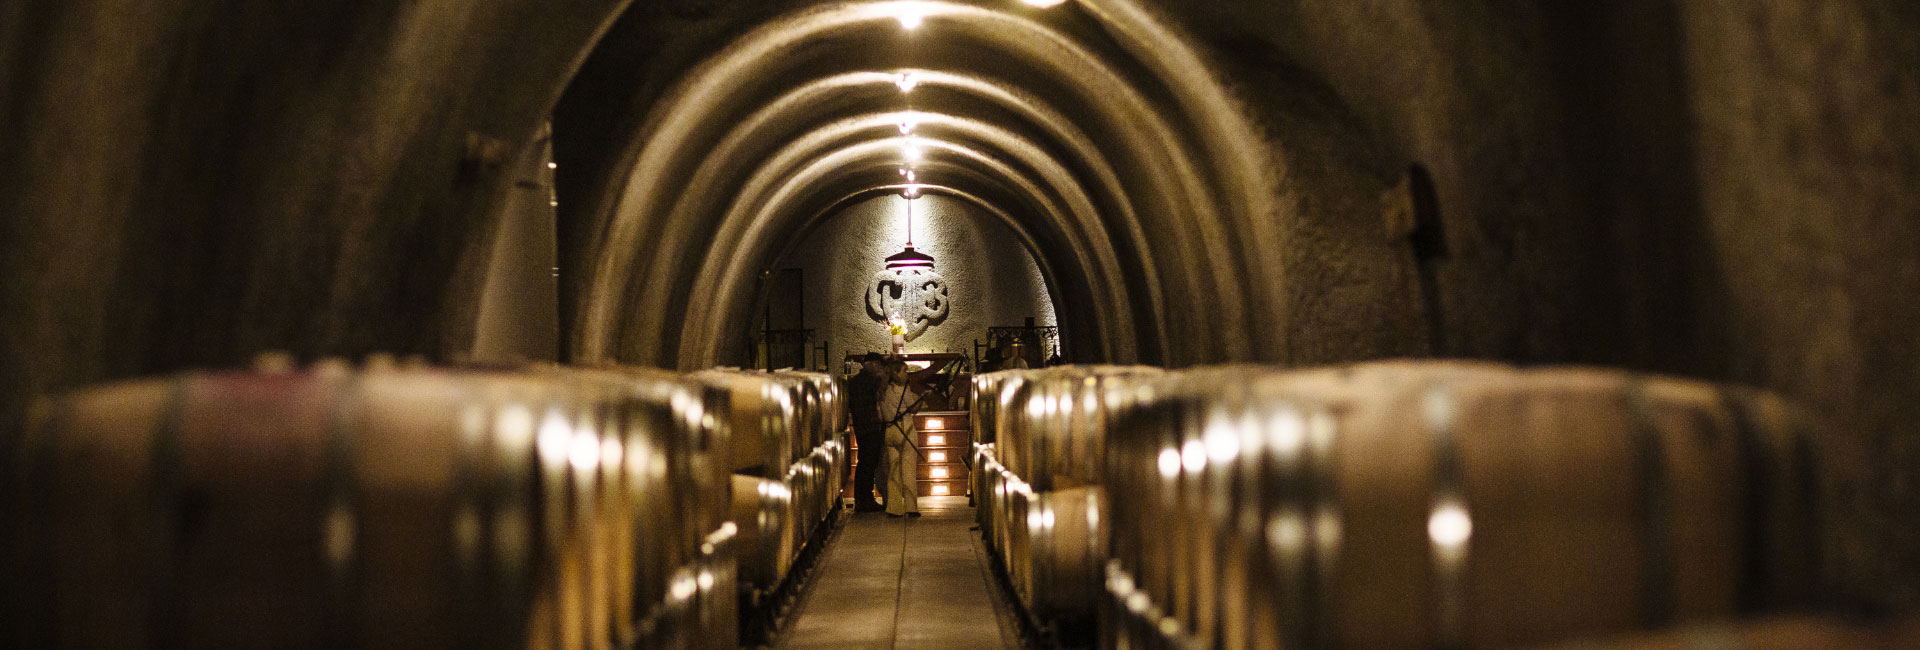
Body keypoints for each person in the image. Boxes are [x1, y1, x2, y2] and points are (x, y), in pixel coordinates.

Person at [878, 356, 923, 517]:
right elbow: (912, 409)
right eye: (905, 371)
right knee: (908, 469)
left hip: (889, 430)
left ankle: (894, 507)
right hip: (905, 427)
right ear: (897, 372)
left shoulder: (883, 389)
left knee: (893, 471)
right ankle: (911, 507)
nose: (907, 374)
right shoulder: (903, 389)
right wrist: (922, 399)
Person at [844, 352, 888, 513]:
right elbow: (881, 389)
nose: (879, 369)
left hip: (864, 426)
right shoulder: (867, 380)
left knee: (866, 463)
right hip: (869, 425)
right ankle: (864, 500)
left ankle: (864, 498)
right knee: (867, 464)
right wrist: (884, 376)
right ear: (870, 364)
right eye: (878, 365)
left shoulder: (857, 381)